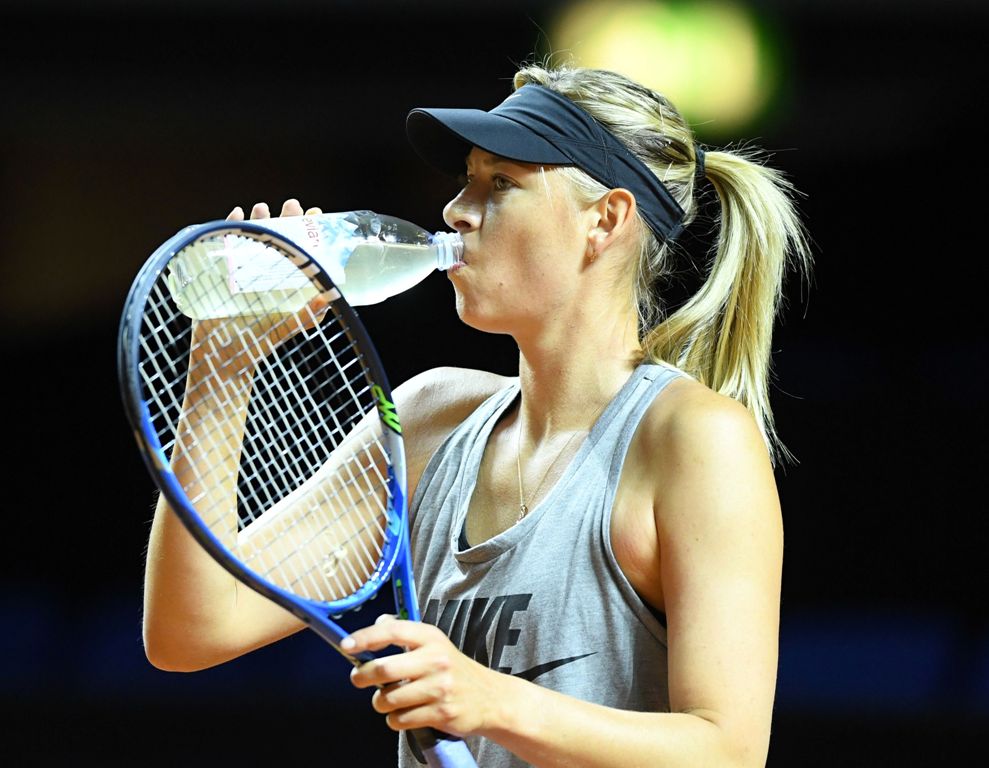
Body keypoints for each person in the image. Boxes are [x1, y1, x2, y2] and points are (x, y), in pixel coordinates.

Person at [142, 62, 810, 767]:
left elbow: (728, 752)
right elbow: (191, 629)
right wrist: (223, 365)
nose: (455, 211)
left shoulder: (693, 439)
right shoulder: (430, 421)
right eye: (465, 180)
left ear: (604, 220)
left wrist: (492, 701)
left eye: (500, 183)